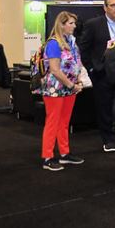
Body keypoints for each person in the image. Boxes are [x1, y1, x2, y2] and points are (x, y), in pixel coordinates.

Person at [79, 0, 115, 153]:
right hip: (103, 73)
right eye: (112, 5)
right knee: (105, 108)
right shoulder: (94, 24)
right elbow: (84, 49)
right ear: (105, 8)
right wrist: (91, 69)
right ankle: (108, 140)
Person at [40, 11, 85, 171]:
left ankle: (64, 154)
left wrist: (77, 80)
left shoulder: (71, 42)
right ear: (61, 24)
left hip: (69, 87)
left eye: (74, 23)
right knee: (53, 122)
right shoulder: (54, 43)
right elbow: (55, 70)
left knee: (64, 122)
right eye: (71, 23)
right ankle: (47, 157)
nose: (74, 26)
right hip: (55, 88)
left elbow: (76, 64)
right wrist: (71, 85)